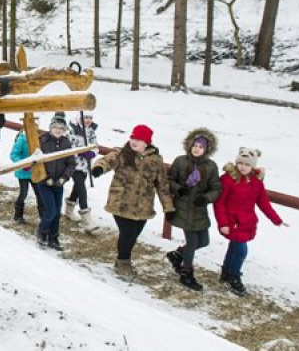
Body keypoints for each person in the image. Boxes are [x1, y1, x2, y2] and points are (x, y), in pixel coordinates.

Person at [90, 124, 175, 279]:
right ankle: (123, 263)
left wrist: (168, 207)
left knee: (133, 235)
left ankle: (122, 259)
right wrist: (99, 168)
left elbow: (162, 185)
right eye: (133, 138)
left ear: (147, 142)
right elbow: (107, 160)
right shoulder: (122, 153)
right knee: (128, 234)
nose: (134, 142)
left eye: (139, 139)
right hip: (121, 203)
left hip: (143, 207)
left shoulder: (156, 160)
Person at [213, 148, 288, 296]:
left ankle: (226, 273)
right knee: (241, 250)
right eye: (240, 163)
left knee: (234, 247)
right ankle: (234, 277)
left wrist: (276, 220)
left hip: (247, 222)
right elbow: (219, 203)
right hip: (232, 222)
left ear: (253, 166)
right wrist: (223, 223)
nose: (243, 167)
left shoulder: (256, 182)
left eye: (247, 164)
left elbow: (263, 202)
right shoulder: (228, 179)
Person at [166, 128, 221, 291]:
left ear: (206, 149)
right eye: (195, 145)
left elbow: (216, 188)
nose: (197, 149)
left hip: (199, 209)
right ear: (189, 145)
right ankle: (186, 272)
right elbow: (169, 180)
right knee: (193, 242)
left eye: (201, 147)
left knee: (204, 241)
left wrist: (205, 198)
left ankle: (177, 255)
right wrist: (178, 189)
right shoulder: (180, 161)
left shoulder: (211, 166)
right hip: (183, 208)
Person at [35, 112, 75, 250]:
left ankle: (54, 237)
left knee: (57, 212)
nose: (58, 130)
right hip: (45, 182)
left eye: (61, 128)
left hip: (59, 183)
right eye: (55, 127)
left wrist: (64, 178)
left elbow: (71, 163)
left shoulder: (66, 142)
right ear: (51, 127)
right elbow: (38, 162)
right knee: (51, 210)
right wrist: (47, 178)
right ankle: (42, 232)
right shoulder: (42, 140)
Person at [65, 112, 99, 233]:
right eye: (86, 117)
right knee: (82, 190)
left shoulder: (91, 130)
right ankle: (87, 220)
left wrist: (92, 153)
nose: (88, 120)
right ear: (79, 118)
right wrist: (79, 151)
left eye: (90, 117)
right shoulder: (71, 129)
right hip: (73, 164)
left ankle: (68, 210)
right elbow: (67, 145)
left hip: (85, 166)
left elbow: (95, 146)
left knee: (77, 188)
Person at [10, 130, 44, 224]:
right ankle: (18, 216)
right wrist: (23, 164)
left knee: (40, 194)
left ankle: (43, 217)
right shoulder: (21, 139)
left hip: (35, 172)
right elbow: (13, 154)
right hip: (23, 172)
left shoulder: (39, 139)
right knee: (23, 193)